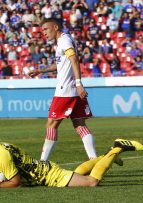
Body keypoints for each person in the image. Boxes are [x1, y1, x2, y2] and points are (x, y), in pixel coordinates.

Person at [0, 124, 143, 188]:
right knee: (78, 173)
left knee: (92, 182)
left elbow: (15, 183)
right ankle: (108, 156)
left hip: (49, 176)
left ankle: (117, 148)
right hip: (45, 169)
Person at [28, 18, 96, 162]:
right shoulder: (63, 41)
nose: (44, 34)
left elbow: (74, 60)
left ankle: (43, 163)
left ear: (55, 27)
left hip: (65, 90)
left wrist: (79, 83)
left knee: (51, 124)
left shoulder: (64, 41)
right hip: (73, 90)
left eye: (46, 29)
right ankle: (93, 159)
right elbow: (60, 64)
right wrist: (42, 70)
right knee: (79, 124)